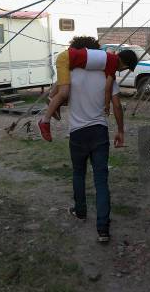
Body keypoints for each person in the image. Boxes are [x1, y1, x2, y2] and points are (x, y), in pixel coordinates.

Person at [62, 36, 125, 243]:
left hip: (77, 132)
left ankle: (80, 212)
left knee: (78, 174)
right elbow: (116, 105)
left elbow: (60, 96)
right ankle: (103, 229)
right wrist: (120, 130)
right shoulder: (106, 74)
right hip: (99, 132)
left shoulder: (71, 73)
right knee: (101, 181)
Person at [38, 44, 137, 142]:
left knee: (65, 90)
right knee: (64, 93)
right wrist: (106, 105)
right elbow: (107, 88)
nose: (123, 70)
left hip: (68, 57)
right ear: (125, 65)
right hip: (66, 60)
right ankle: (45, 121)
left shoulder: (109, 58)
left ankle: (52, 99)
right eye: (127, 68)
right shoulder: (114, 63)